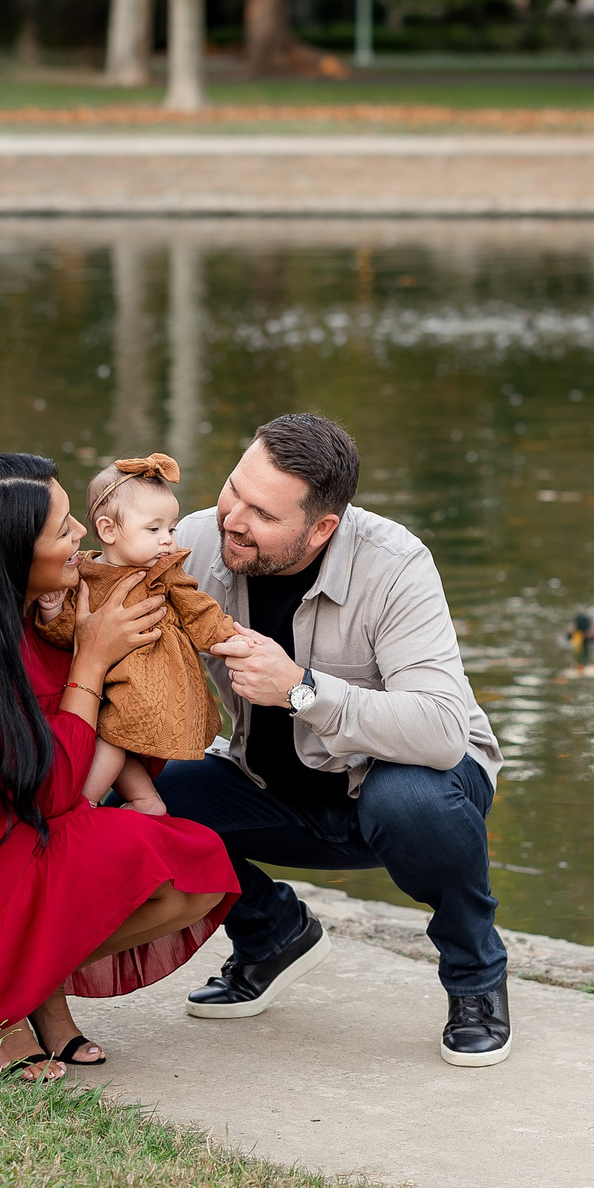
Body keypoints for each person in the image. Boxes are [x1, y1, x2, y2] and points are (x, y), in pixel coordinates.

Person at [0, 452, 239, 1076]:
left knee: (195, 876)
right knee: (170, 870)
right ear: (10, 559)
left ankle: (27, 984)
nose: (83, 531)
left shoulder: (51, 606)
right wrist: (91, 660)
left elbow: (119, 722)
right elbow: (55, 789)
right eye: (62, 529)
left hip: (29, 830)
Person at [157, 414, 513, 1067]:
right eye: (234, 488)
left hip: (404, 787)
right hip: (267, 786)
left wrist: (302, 689)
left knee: (410, 802)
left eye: (262, 513)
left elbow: (441, 730)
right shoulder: (192, 544)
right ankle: (271, 934)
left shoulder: (396, 564)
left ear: (321, 528)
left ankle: (476, 974)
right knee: (130, 802)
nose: (232, 517)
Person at [31, 453, 240, 817]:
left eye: (171, 529)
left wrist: (229, 639)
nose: (168, 541)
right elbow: (75, 635)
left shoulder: (164, 573)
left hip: (153, 681)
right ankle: (147, 801)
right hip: (120, 681)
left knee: (111, 734)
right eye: (154, 529)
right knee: (112, 736)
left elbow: (198, 609)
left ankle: (82, 805)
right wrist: (52, 612)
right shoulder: (83, 575)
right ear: (109, 530)